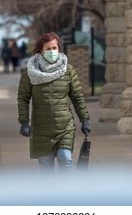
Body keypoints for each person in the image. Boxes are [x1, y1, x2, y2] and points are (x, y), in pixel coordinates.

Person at [17, 32, 91, 172]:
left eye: (54, 48)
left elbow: (77, 96)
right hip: (41, 129)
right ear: (41, 51)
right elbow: (23, 98)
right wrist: (24, 122)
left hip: (65, 128)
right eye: (48, 49)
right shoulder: (30, 72)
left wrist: (84, 119)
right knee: (47, 170)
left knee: (66, 159)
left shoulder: (67, 70)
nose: (52, 52)